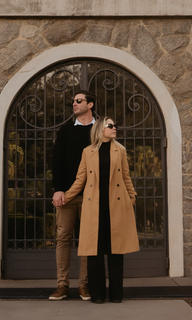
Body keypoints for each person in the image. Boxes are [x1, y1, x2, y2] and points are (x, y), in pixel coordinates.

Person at [62, 116, 139, 304]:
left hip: (116, 206)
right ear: (100, 129)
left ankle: (116, 295)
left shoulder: (120, 150)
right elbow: (80, 180)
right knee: (94, 252)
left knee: (116, 251)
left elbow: (126, 177)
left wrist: (132, 197)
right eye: (110, 125)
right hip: (94, 207)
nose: (114, 128)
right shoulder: (87, 152)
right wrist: (66, 196)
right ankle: (97, 295)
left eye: (115, 125)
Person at [49, 91, 95, 301]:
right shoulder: (66, 130)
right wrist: (58, 188)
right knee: (63, 238)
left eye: (79, 101)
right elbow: (57, 161)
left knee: (87, 240)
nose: (74, 104)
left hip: (91, 195)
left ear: (90, 104)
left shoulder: (99, 129)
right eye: (73, 101)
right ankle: (62, 285)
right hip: (66, 194)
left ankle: (84, 285)